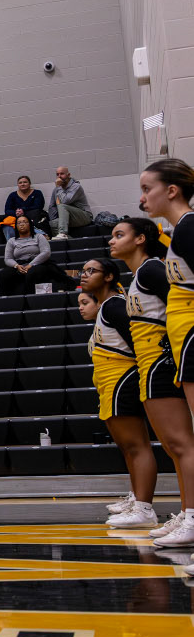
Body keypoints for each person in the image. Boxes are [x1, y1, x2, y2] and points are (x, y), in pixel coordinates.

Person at [110, 212, 194, 543]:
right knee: (175, 448)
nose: (112, 240)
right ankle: (186, 513)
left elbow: (179, 304)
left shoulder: (152, 269)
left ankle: (192, 516)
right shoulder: (137, 277)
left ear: (140, 239)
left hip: (163, 362)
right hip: (150, 366)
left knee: (182, 445)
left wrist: (173, 354)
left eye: (119, 234)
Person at [137, 157, 194, 543]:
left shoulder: (189, 227)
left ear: (171, 190)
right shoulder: (178, 233)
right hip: (184, 344)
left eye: (147, 189)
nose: (142, 198)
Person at [76, 257, 156, 529]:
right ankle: (137, 498)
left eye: (91, 271)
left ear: (109, 276)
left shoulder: (114, 305)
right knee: (127, 448)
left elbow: (138, 343)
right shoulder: (106, 308)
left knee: (136, 446)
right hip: (110, 383)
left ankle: (144, 508)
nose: (84, 275)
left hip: (123, 380)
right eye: (83, 271)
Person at [0, 213, 61, 295]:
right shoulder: (11, 241)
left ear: (30, 224)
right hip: (19, 265)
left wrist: (31, 264)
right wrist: (16, 266)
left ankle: (30, 299)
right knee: (4, 274)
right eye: (19, 223)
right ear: (16, 226)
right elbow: (8, 258)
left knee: (32, 273)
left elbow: (46, 252)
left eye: (24, 222)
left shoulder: (39, 237)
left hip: (38, 263)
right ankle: (3, 299)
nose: (22, 224)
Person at [50, 166, 94, 238]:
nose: (59, 176)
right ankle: (68, 240)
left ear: (68, 175)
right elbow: (52, 206)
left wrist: (58, 187)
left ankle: (62, 232)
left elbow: (64, 201)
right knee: (53, 223)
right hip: (69, 217)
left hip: (84, 216)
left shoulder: (76, 186)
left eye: (62, 174)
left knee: (62, 206)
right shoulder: (56, 189)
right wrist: (53, 219)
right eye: (57, 174)